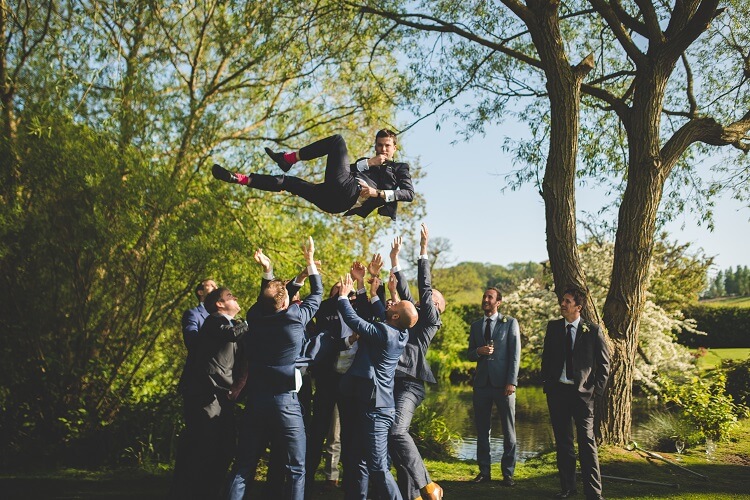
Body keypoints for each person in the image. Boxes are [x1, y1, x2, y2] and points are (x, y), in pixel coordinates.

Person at [226, 239, 322, 500]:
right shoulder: (294, 320)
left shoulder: (255, 317)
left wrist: (267, 271)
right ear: (285, 303)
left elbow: (264, 300)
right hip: (285, 404)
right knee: (296, 469)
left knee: (243, 466)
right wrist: (310, 262)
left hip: (256, 401)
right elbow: (318, 295)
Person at [337, 272, 418, 500]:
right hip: (370, 402)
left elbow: (355, 322)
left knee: (378, 467)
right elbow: (383, 313)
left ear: (393, 317)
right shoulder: (400, 330)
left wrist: (343, 297)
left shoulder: (385, 332)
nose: (389, 304)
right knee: (361, 460)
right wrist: (373, 293)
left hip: (376, 409)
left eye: (394, 305)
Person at [211, 130, 414, 220]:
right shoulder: (366, 162)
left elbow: (408, 193)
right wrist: (369, 162)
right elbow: (343, 169)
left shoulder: (399, 168)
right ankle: (239, 179)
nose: (382, 149)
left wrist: (377, 193)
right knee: (288, 182)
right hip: (331, 196)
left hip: (346, 199)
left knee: (337, 141)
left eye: (387, 146)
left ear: (394, 147)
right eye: (379, 145)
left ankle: (288, 159)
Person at [388, 226, 445, 500]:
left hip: (411, 384)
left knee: (399, 431)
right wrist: (395, 260)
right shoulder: (413, 314)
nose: (428, 298)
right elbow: (406, 289)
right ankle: (408, 494)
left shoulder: (430, 322)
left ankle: (428, 486)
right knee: (391, 438)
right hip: (390, 381)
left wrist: (423, 250)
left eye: (433, 299)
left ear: (437, 308)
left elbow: (423, 288)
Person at [176, 286, 249, 499]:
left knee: (225, 448)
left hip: (222, 397)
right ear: (219, 304)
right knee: (205, 448)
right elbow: (233, 334)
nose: (235, 297)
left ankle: (210, 491)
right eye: (229, 296)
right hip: (206, 396)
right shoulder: (215, 321)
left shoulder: (229, 323)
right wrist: (252, 321)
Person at [541, 287, 610, 500]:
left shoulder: (593, 330)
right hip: (558, 393)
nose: (563, 304)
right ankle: (568, 489)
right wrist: (548, 386)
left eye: (568, 301)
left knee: (587, 443)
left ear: (578, 307)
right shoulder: (553, 328)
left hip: (583, 396)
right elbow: (546, 359)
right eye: (563, 300)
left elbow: (605, 365)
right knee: (563, 443)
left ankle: (594, 493)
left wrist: (595, 391)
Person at [467, 287, 521, 486]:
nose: (486, 299)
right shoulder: (475, 325)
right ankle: (484, 472)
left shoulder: (510, 323)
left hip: (503, 385)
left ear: (498, 302)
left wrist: (511, 382)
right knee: (482, 431)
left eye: (490, 297)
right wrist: (478, 351)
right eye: (484, 296)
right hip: (481, 384)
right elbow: (469, 354)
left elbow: (515, 355)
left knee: (509, 431)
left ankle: (508, 473)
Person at [181, 279, 218, 350]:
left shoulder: (223, 315)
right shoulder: (193, 314)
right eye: (211, 286)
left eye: (216, 286)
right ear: (201, 292)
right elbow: (191, 341)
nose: (216, 288)